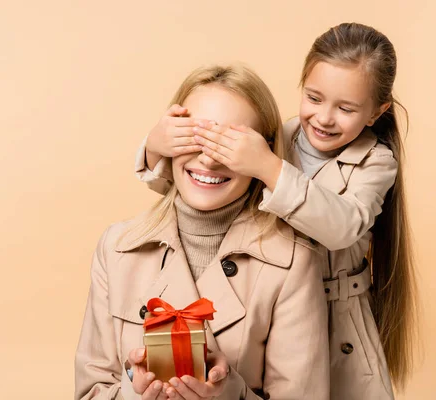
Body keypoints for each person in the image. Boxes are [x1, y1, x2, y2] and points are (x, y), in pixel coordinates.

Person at [136, 23, 418, 399]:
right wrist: (157, 147)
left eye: (346, 108)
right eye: (314, 98)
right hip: (268, 310)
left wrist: (267, 165)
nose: (325, 118)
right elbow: (199, 184)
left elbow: (342, 227)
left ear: (376, 112)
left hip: (336, 321)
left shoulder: (376, 162)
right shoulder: (277, 136)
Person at [75, 64, 330, 400]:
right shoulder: (117, 248)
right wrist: (133, 394)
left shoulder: (292, 261)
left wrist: (231, 394)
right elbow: (90, 390)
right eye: (195, 137)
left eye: (229, 144)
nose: (209, 161)